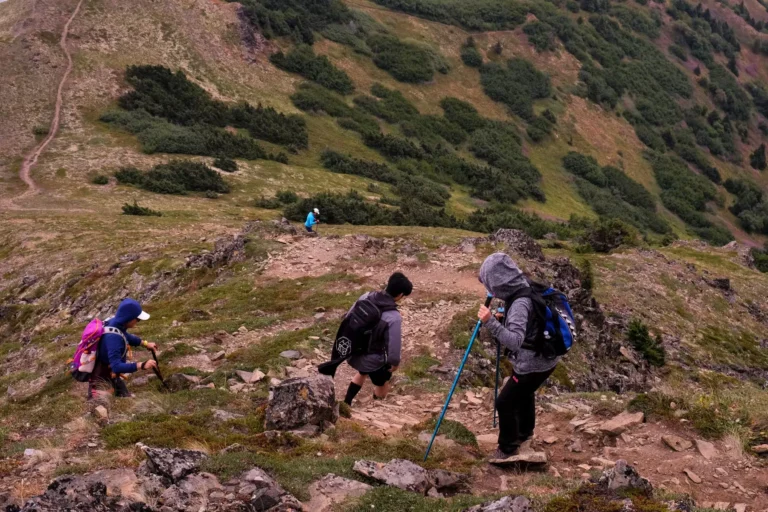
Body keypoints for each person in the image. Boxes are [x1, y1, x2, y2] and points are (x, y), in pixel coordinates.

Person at [477, 253, 560, 460]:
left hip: (532, 364)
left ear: (498, 282)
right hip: (546, 358)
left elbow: (514, 341)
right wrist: (503, 319)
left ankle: (507, 449)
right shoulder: (525, 286)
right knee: (524, 393)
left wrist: (490, 321)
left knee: (504, 403)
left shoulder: (519, 304)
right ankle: (525, 433)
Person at [343, 272, 413, 405]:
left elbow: (348, 317)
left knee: (362, 372)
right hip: (375, 359)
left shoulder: (366, 296)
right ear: (400, 295)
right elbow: (394, 346)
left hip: (354, 350)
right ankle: (377, 406)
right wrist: (394, 363)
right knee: (382, 382)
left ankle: (346, 403)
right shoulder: (393, 317)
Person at [88, 298, 159, 399]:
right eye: (137, 319)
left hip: (109, 372)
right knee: (103, 402)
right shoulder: (113, 338)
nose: (138, 322)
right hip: (102, 376)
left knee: (125, 397)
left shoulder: (115, 323)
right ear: (128, 318)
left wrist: (145, 344)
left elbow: (125, 335)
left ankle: (119, 394)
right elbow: (116, 366)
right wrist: (141, 365)